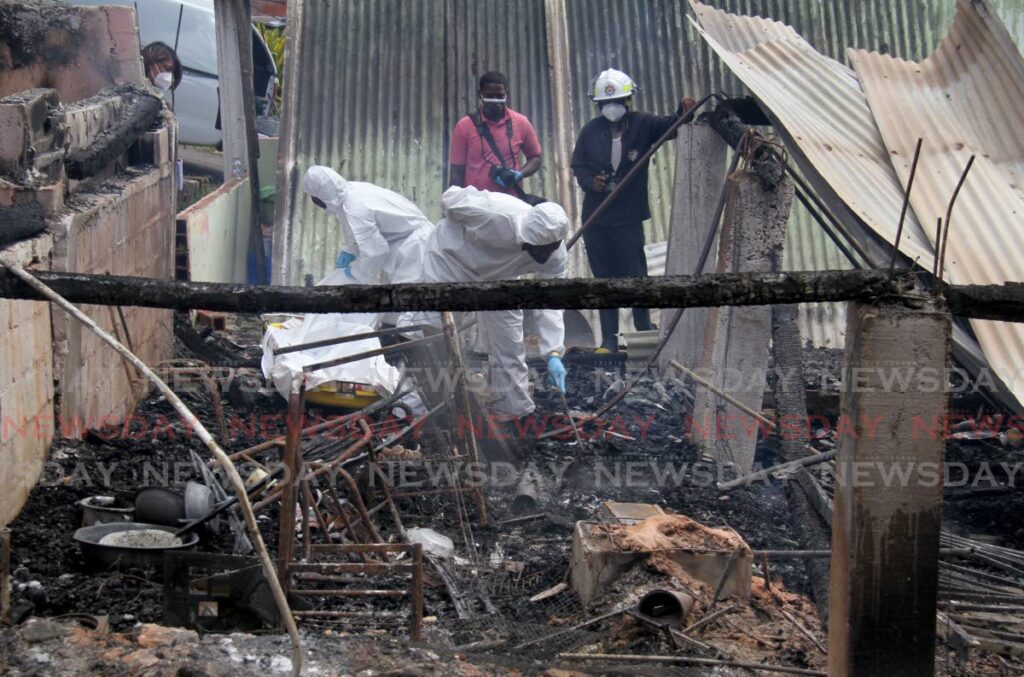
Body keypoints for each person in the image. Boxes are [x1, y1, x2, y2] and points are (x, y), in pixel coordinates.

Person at [402, 186, 568, 418]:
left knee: (508, 341)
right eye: (536, 249)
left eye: (548, 250)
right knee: (434, 334)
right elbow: (449, 198)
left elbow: (549, 301)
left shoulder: (555, 257)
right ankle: (411, 409)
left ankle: (515, 411)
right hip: (451, 261)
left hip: (502, 277)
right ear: (525, 237)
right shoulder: (493, 211)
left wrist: (553, 353)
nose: (543, 256)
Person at [571, 68, 694, 352]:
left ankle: (644, 335)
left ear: (628, 101)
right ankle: (609, 341)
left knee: (636, 276)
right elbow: (578, 166)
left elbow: (672, 127)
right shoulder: (590, 131)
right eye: (604, 104)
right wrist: (593, 183)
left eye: (617, 102)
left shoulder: (642, 124)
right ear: (598, 105)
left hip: (628, 218)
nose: (611, 108)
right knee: (603, 280)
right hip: (596, 218)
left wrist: (682, 110)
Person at [301, 165, 434, 288]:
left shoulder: (353, 208)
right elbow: (360, 235)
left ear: (321, 197)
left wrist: (355, 272)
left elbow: (376, 252)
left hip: (416, 247)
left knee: (410, 305)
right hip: (410, 244)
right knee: (404, 304)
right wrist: (349, 251)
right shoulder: (350, 194)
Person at [449, 71, 543, 200]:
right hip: (475, 204)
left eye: (499, 96)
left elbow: (535, 158)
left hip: (511, 202)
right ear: (480, 94)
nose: (495, 101)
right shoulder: (464, 126)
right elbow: (456, 172)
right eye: (489, 96)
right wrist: (452, 206)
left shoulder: (521, 123)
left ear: (506, 94)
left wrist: (519, 174)